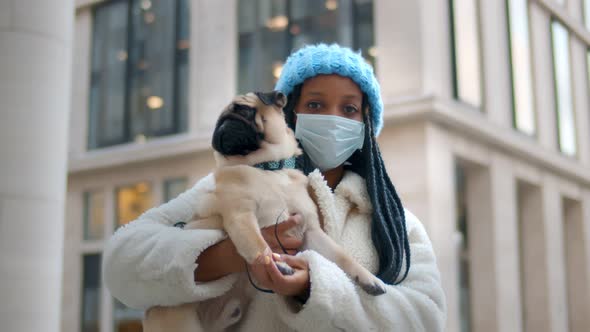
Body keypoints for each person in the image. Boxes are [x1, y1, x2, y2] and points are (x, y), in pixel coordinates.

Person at [103, 43, 446, 331]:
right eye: (315, 104)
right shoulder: (236, 185)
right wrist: (231, 253)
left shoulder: (393, 222)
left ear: (365, 123)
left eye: (349, 108)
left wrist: (316, 286)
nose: (333, 118)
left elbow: (427, 317)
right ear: (288, 112)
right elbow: (122, 261)